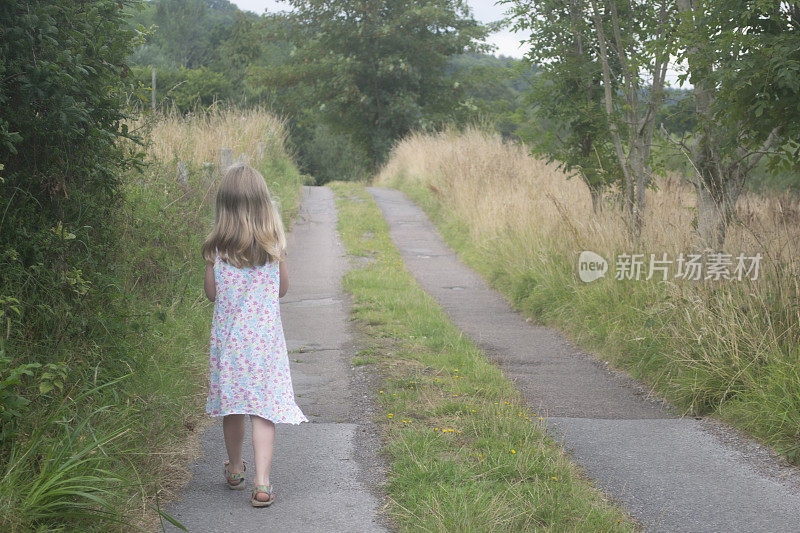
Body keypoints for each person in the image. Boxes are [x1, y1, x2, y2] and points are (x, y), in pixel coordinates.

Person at [201, 163, 308, 508]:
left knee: (233, 406)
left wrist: (209, 266)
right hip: (264, 345)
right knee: (263, 409)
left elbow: (212, 295)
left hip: (230, 344)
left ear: (225, 209)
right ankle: (262, 483)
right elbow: (282, 290)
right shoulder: (273, 246)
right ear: (264, 205)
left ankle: (234, 469)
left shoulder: (217, 251)